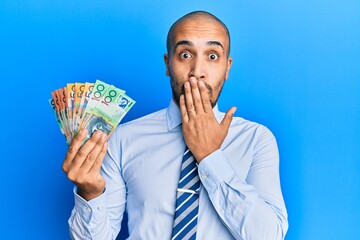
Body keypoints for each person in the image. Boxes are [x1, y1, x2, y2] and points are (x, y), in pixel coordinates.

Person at [62, 10, 288, 240]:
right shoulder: (124, 138)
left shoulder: (256, 139)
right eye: (185, 55)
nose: (197, 72)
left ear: (227, 67)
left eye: (212, 56)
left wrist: (210, 156)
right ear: (168, 63)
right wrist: (89, 194)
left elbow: (270, 236)